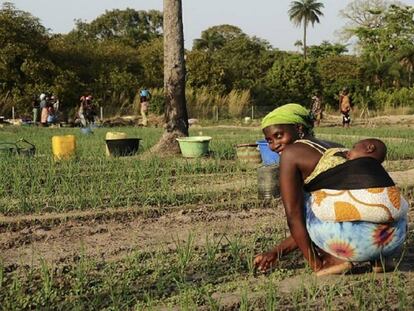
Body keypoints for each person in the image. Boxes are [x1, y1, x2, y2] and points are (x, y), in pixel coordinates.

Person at [254, 103, 408, 276]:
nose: (274, 145)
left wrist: (316, 264)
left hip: (348, 242)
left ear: (298, 128)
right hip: (394, 236)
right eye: (269, 141)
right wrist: (276, 252)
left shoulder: (292, 153)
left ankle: (333, 260)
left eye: (278, 136)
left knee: (310, 204)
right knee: (350, 199)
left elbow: (295, 216)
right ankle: (378, 259)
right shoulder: (339, 147)